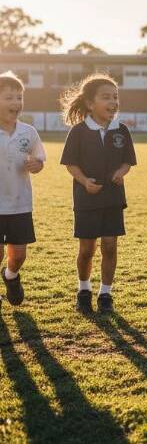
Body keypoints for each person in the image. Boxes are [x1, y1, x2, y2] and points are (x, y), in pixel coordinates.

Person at [60, 74, 136, 314]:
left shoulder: (121, 130)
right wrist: (84, 181)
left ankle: (105, 294)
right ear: (90, 103)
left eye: (115, 97)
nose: (113, 102)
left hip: (113, 198)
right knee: (87, 249)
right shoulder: (79, 131)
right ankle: (84, 289)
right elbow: (70, 163)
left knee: (110, 246)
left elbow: (128, 162)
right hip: (87, 199)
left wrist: (121, 173)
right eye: (106, 97)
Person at [0, 71, 46, 312]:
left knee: (18, 255)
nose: (16, 103)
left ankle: (10, 275)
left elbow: (40, 161)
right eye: (9, 98)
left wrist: (36, 165)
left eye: (19, 98)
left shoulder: (28, 132)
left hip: (20, 204)